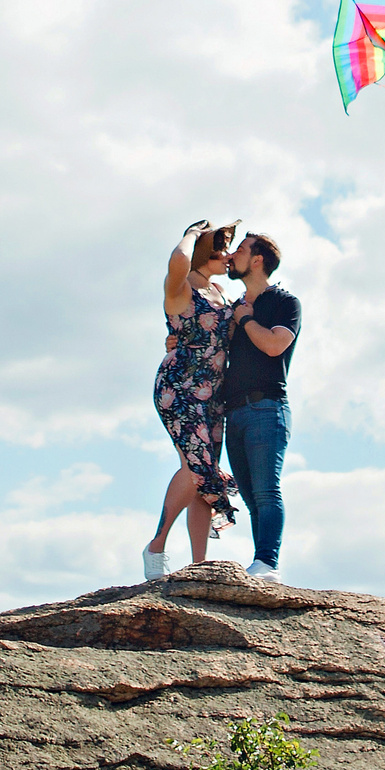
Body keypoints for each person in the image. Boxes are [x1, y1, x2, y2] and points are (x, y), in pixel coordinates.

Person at [143, 220, 239, 580]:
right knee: (195, 468)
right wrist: (194, 234)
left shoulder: (220, 291)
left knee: (205, 474)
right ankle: (156, 546)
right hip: (180, 386)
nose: (228, 256)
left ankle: (199, 566)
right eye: (222, 249)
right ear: (204, 253)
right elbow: (177, 262)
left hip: (213, 394)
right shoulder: (181, 288)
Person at [220, 231, 297, 581]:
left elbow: (274, 345)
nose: (231, 255)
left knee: (267, 490)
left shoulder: (284, 302)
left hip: (266, 408)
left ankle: (268, 563)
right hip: (233, 412)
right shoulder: (232, 309)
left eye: (240, 249)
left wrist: (246, 320)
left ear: (257, 260)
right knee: (251, 496)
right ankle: (261, 562)